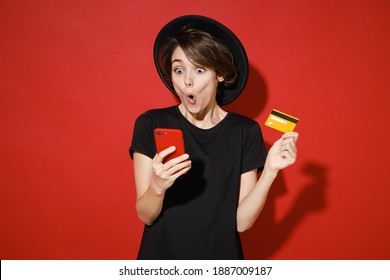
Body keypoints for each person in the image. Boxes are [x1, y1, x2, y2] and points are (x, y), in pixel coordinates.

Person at [129, 15, 298, 260]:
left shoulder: (245, 131)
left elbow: (241, 223)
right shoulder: (150, 123)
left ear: (219, 74)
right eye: (178, 70)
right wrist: (158, 185)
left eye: (199, 69)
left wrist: (270, 171)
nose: (187, 81)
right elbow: (146, 215)